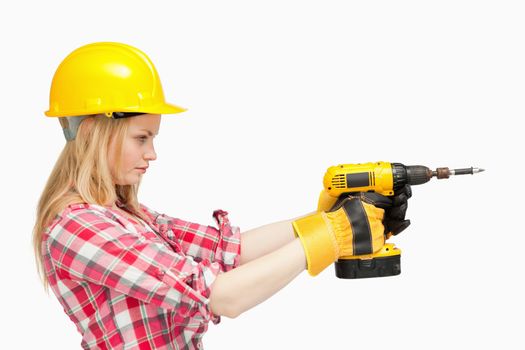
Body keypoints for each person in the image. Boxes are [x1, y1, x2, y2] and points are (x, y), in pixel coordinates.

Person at [33, 42, 410, 350]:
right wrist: (333, 234)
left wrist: (323, 219)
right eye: (141, 137)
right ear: (89, 134)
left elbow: (227, 248)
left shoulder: (128, 215)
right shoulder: (79, 228)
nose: (152, 154)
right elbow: (220, 296)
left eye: (153, 138)